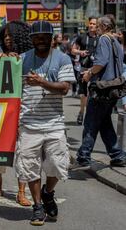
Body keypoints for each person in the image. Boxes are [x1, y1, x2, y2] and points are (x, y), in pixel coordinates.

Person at [15, 21, 76, 226]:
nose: (40, 40)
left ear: (52, 38)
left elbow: (64, 88)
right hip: (28, 122)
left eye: (44, 36)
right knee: (30, 167)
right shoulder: (22, 59)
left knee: (59, 165)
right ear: (31, 39)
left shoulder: (62, 58)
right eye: (36, 37)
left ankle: (48, 192)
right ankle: (38, 206)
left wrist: (41, 82)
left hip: (54, 123)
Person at [73, 15, 126, 170]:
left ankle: (83, 157)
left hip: (102, 88)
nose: (95, 27)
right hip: (113, 88)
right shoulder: (116, 41)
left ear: (103, 26)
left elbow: (101, 62)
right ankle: (117, 155)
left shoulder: (104, 39)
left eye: (97, 25)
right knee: (104, 123)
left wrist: (89, 73)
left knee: (90, 123)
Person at [0, 20, 33, 207]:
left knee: (23, 152)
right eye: (5, 36)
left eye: (11, 35)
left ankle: (21, 191)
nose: (8, 39)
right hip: (4, 110)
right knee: (2, 146)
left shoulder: (30, 58)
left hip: (25, 111)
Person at [71, 17, 98, 125]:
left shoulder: (101, 38)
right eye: (90, 23)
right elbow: (72, 50)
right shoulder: (81, 37)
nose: (91, 25)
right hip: (84, 68)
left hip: (96, 69)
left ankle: (92, 114)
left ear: (97, 26)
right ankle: (81, 112)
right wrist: (80, 52)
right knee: (83, 93)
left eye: (94, 24)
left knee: (95, 92)